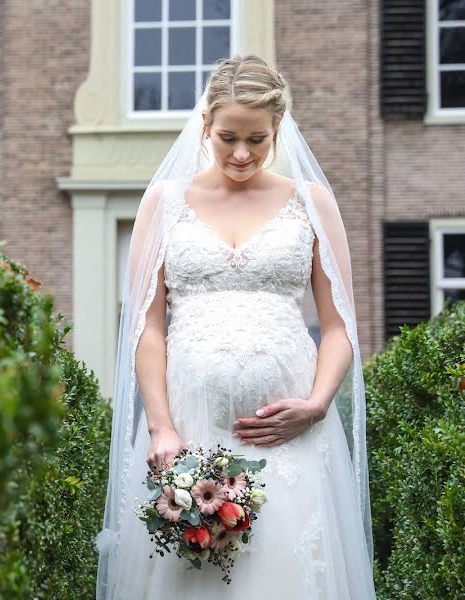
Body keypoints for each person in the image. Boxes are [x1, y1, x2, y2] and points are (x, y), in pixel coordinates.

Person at [94, 54, 377, 599]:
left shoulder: (312, 204)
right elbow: (146, 328)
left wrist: (317, 403)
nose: (242, 153)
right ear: (206, 126)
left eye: (257, 139)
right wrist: (162, 429)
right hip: (190, 428)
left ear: (278, 131)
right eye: (227, 138)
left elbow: (340, 327)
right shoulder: (164, 203)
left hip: (290, 433)